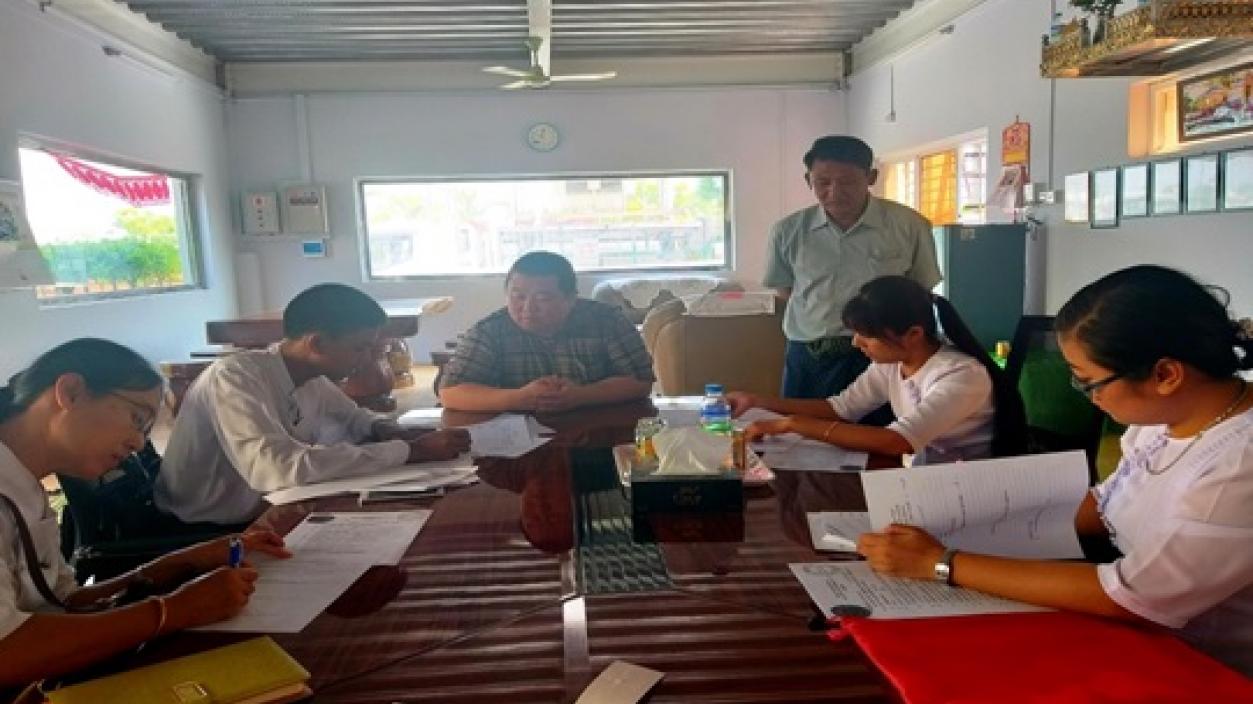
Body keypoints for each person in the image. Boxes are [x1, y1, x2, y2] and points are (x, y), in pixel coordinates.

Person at [856, 265, 1253, 676]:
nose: (1088, 398)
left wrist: (941, 563)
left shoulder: (1238, 464)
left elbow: (1133, 596)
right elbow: (1104, 505)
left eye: (1089, 383)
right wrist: (963, 532)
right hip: (1136, 630)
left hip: (1207, 666)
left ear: (1166, 375)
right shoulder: (1164, 419)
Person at [0, 339, 290, 688]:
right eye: (136, 419)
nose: (139, 444)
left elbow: (65, 601)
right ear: (71, 392)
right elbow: (7, 651)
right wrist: (172, 611)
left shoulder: (26, 485)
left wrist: (186, 561)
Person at [156, 284, 470, 525]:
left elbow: (356, 419)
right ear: (317, 343)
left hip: (267, 505)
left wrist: (392, 430)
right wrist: (411, 451)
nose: (367, 359)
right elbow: (276, 469)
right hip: (210, 525)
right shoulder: (235, 378)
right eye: (359, 348)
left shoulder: (310, 376)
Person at [728, 276, 1026, 464]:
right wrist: (757, 402)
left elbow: (897, 441)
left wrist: (793, 424)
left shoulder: (961, 375)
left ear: (913, 334)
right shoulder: (893, 364)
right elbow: (840, 408)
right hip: (924, 474)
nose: (856, 343)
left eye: (867, 335)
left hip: (968, 485)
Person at [764, 135, 941, 405]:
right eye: (823, 182)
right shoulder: (788, 231)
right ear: (808, 180)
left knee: (882, 428)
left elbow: (920, 288)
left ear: (871, 177)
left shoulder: (909, 225)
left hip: (883, 353)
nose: (834, 192)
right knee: (801, 426)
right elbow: (785, 289)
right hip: (811, 355)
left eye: (847, 182)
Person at [439, 251, 655, 413]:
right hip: (516, 440)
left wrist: (582, 395)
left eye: (543, 298)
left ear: (571, 299)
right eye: (518, 296)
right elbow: (451, 392)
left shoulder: (607, 321)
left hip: (598, 431)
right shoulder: (490, 330)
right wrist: (519, 398)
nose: (528, 308)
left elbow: (640, 381)